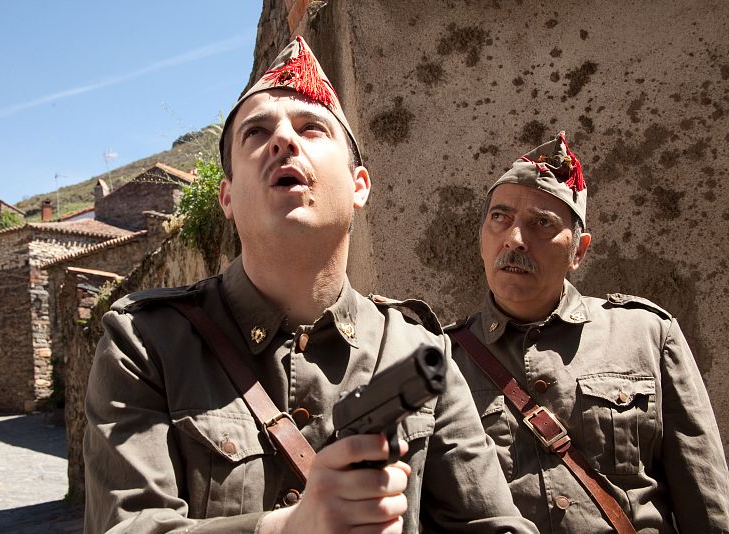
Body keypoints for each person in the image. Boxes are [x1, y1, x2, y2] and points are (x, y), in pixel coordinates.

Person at [83, 36, 536, 533]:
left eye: (311, 128)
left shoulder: (421, 356)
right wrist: (288, 528)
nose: (282, 141)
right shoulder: (147, 341)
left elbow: (492, 524)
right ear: (228, 196)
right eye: (255, 134)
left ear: (359, 185)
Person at [447, 131, 729, 533]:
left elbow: (708, 509)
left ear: (579, 251)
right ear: (481, 239)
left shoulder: (646, 334)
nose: (514, 239)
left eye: (541, 223)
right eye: (500, 217)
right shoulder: (441, 358)